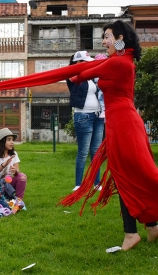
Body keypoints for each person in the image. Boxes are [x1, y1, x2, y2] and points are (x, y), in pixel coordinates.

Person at [62, 20, 158, 251]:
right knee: (129, 175)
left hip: (124, 124)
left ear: (120, 39)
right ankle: (151, 227)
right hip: (120, 122)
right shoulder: (120, 61)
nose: (104, 41)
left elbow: (80, 76)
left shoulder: (117, 63)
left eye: (107, 36)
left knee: (128, 175)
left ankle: (132, 233)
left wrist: (71, 68)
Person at [66, 51, 104, 191]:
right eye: (85, 62)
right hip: (83, 117)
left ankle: (96, 183)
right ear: (77, 63)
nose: (88, 64)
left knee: (96, 151)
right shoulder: (73, 77)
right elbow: (73, 78)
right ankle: (78, 184)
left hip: (97, 116)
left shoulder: (91, 77)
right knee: (83, 151)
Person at [0, 128, 27, 200]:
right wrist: (3, 165)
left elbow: (17, 174)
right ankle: (5, 198)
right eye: (9, 139)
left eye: (12, 140)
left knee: (22, 176)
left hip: (9, 184)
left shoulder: (13, 154)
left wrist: (16, 171)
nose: (12, 142)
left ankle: (18, 200)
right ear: (1, 141)